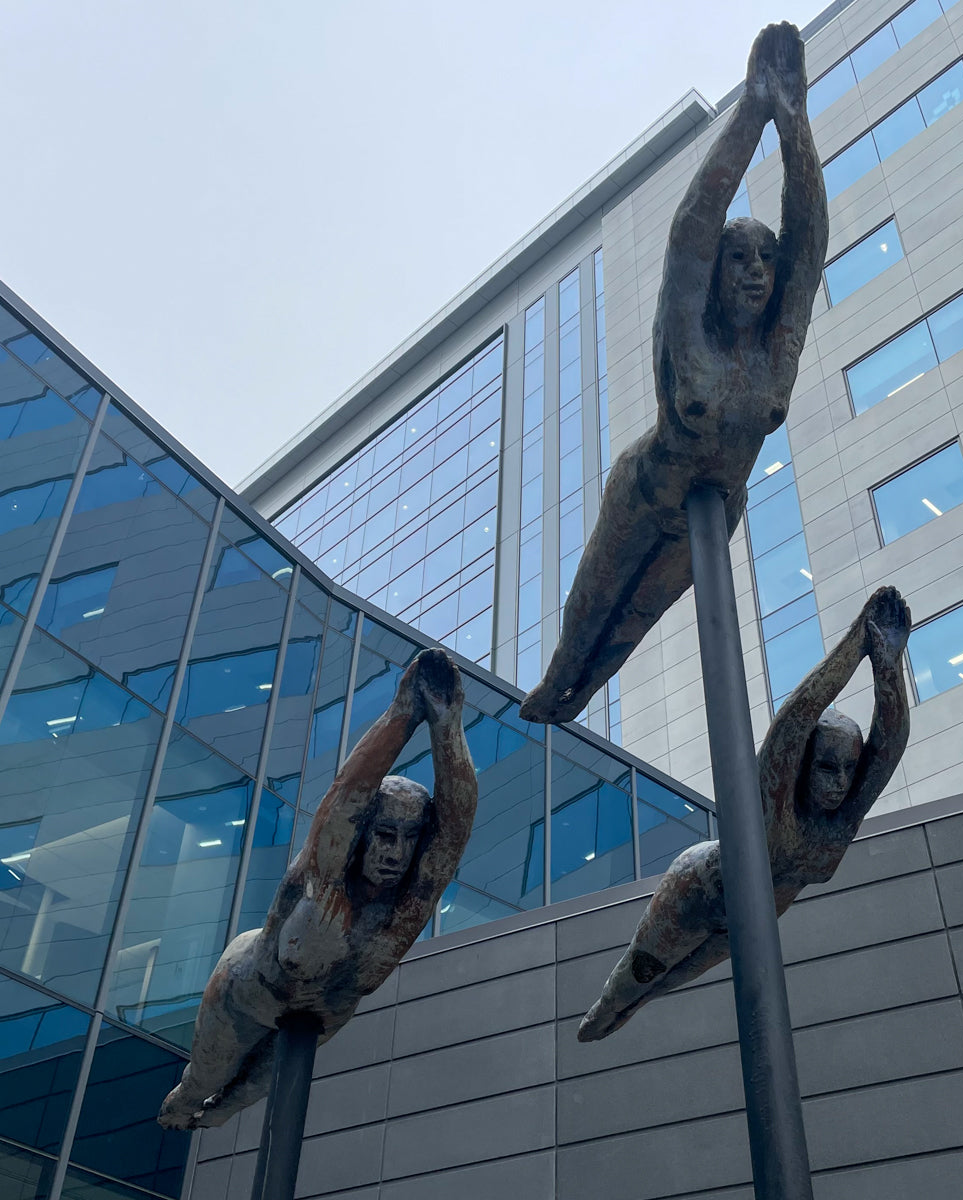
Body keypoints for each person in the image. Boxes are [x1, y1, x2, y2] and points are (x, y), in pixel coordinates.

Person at [520, 21, 829, 725]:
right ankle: (559, 681)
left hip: (717, 506)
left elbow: (809, 239)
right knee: (588, 616)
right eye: (738, 259)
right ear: (714, 277)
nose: (755, 272)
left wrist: (794, 117)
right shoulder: (691, 336)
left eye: (763, 261)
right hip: (646, 492)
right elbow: (694, 225)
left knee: (628, 627)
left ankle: (579, 696)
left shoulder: (776, 350)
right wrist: (754, 110)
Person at [158, 647, 476, 1129]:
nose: (395, 853)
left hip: (321, 1015)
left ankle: (213, 1110)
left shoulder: (410, 901)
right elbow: (348, 793)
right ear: (362, 834)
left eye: (408, 840)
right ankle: (187, 1099)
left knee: (233, 1102)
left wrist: (448, 727)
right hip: (247, 991)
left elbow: (455, 826)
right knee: (203, 1082)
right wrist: (405, 713)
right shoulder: (324, 875)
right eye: (384, 836)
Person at [577, 586, 910, 1042]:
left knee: (670, 982)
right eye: (826, 767)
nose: (838, 782)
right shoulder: (777, 804)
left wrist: (888, 666)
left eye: (848, 769)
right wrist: (859, 644)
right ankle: (608, 1005)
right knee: (641, 972)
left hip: (749, 918)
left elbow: (888, 746)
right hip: (696, 891)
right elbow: (796, 718)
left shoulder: (842, 821)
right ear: (802, 764)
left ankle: (628, 1008)